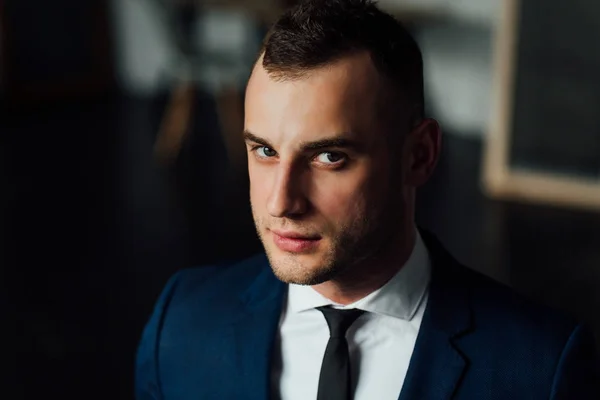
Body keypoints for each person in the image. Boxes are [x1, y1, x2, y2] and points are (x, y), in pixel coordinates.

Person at [135, 1, 599, 399]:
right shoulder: (181, 324)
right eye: (265, 151)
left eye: (329, 156)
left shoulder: (541, 370)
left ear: (419, 156)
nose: (281, 202)